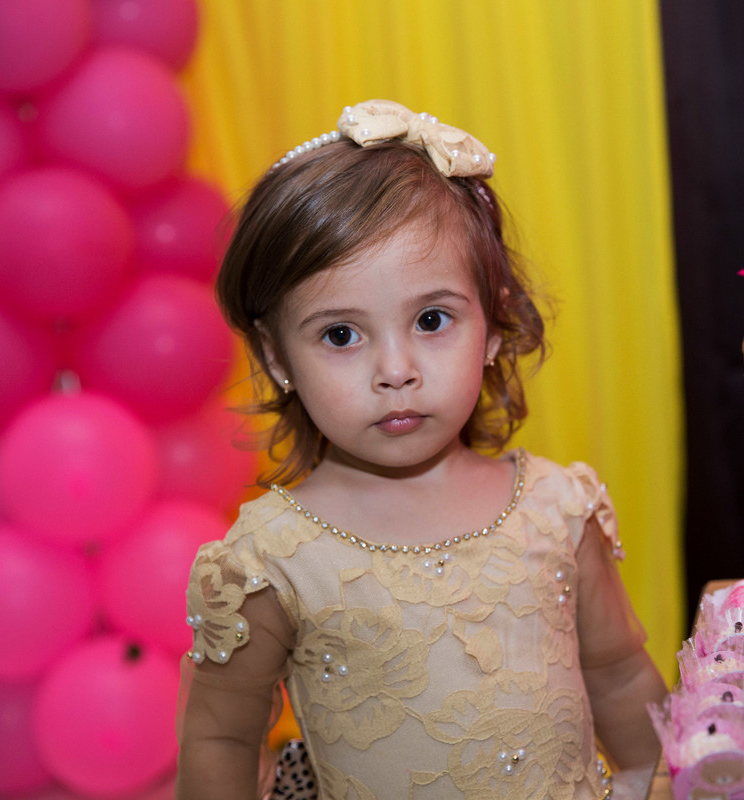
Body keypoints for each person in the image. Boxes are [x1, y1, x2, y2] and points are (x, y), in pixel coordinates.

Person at [177, 99, 668, 799]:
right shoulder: (269, 559)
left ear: (492, 324)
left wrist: (675, 781)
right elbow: (222, 736)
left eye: (432, 320)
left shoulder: (558, 508)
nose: (396, 369)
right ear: (277, 355)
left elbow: (617, 675)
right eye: (341, 335)